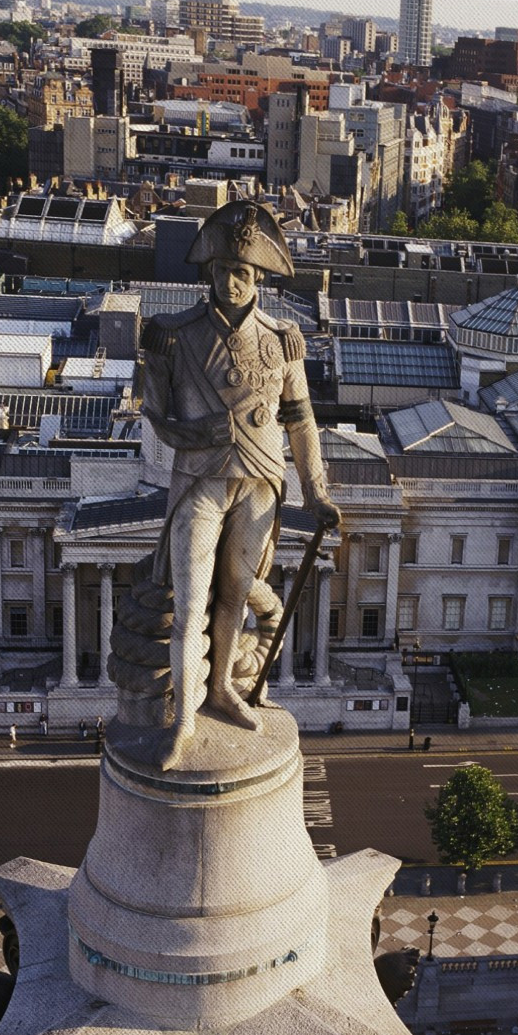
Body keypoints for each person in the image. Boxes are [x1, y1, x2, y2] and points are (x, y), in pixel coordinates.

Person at [141, 200, 340, 771]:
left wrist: (317, 491)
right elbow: (153, 416)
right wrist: (195, 430)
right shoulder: (170, 336)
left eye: (244, 274)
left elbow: (301, 421)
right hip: (200, 482)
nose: (233, 283)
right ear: (209, 274)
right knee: (189, 606)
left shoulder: (283, 341)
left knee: (234, 597)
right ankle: (183, 717)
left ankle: (223, 687)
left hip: (259, 485)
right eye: (224, 271)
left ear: (259, 279)